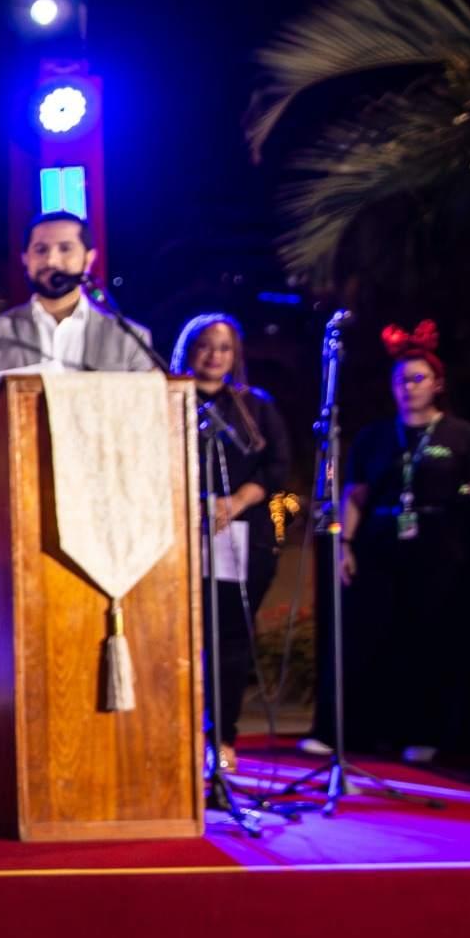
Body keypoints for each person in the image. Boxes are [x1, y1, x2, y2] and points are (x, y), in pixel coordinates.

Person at [316, 328, 470, 763]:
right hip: (380, 542)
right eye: (401, 380)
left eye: (418, 378)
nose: (409, 387)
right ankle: (351, 733)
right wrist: (345, 542)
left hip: (438, 545)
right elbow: (356, 495)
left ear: (437, 383)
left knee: (429, 638)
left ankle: (423, 733)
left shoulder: (463, 435)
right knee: (370, 637)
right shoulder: (373, 437)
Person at [171, 313, 290, 758]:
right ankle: (174, 735)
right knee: (178, 637)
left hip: (242, 535)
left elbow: (277, 466)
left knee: (230, 639)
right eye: (205, 346)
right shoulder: (168, 400)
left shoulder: (255, 406)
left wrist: (236, 501)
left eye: (224, 348)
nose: (214, 356)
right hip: (180, 533)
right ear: (189, 350)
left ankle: (221, 738)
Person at [0, 212, 160, 449]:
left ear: (89, 257)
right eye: (41, 250)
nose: (51, 260)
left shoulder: (130, 338)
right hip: (20, 463)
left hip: (107, 463)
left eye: (65, 248)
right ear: (25, 258)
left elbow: (149, 418)